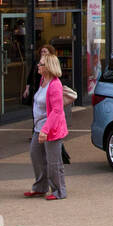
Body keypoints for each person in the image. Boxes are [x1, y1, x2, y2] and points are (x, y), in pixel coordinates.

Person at [26, 50, 69, 200]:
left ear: (48, 66)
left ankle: (59, 191)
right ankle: (40, 187)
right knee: (35, 154)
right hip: (40, 127)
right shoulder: (42, 80)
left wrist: (45, 129)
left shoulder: (55, 85)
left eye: (41, 64)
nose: (38, 65)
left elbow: (57, 111)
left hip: (52, 129)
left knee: (53, 162)